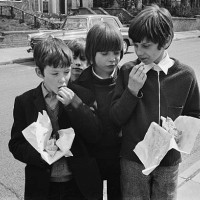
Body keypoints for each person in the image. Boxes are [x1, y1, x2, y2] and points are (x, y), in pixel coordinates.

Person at [110, 4, 200, 200]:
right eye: (135, 44)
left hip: (168, 161)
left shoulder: (185, 75)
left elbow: (194, 115)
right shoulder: (127, 71)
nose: (139, 52)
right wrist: (132, 90)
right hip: (134, 159)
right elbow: (116, 117)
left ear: (166, 40)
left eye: (146, 45)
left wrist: (180, 134)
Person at [8, 37, 103, 200]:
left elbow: (95, 134)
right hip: (43, 186)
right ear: (40, 72)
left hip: (79, 184)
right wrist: (42, 154)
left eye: (66, 71)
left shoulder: (83, 95)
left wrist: (74, 104)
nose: (62, 79)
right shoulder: (24, 102)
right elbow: (16, 144)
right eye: (55, 73)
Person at [75, 22, 124, 200]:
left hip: (119, 158)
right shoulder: (79, 83)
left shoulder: (126, 78)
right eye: (104, 53)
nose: (112, 59)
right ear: (91, 53)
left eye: (116, 52)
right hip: (91, 159)